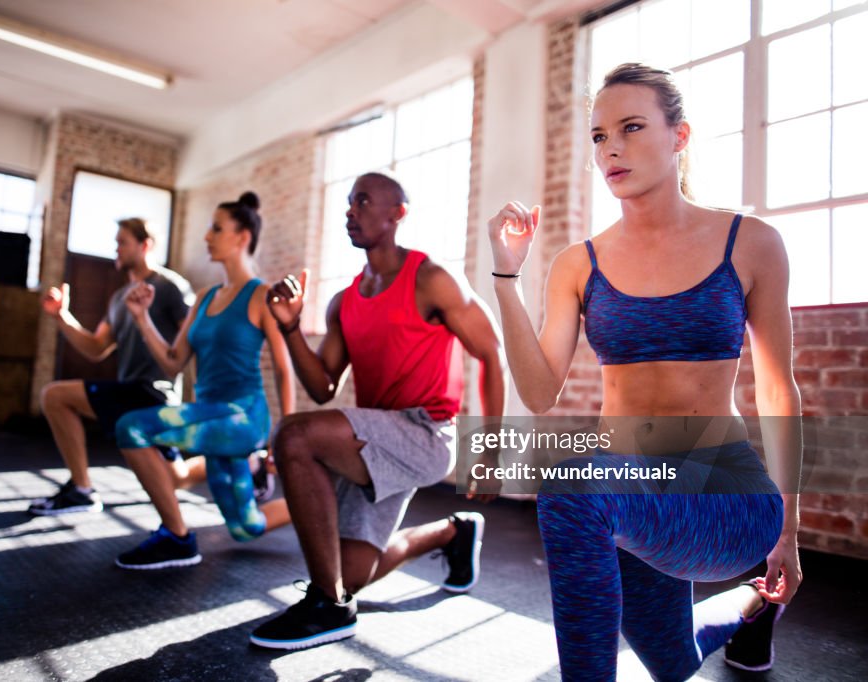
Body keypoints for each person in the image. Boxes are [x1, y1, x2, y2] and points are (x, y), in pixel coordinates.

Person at [487, 63, 802, 680]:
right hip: (631, 493)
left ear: (679, 137)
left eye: (631, 127)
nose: (612, 149)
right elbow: (539, 392)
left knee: (571, 486)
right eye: (600, 136)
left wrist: (789, 531)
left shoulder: (751, 242)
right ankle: (750, 607)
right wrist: (506, 276)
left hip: (726, 495)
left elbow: (776, 388)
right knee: (673, 660)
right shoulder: (578, 264)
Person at [249, 172, 505, 650]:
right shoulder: (343, 302)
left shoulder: (431, 279)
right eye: (348, 203)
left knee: (293, 436)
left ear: (397, 213)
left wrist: (490, 457)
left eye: (363, 201)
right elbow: (323, 387)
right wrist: (288, 330)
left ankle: (328, 606)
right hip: (375, 443)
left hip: (426, 435)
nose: (351, 211)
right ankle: (452, 532)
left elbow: (492, 354)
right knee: (348, 573)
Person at [111, 192, 296, 569]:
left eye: (216, 228)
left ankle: (176, 536)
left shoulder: (261, 295)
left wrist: (284, 437)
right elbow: (173, 363)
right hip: (210, 416)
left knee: (132, 427)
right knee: (246, 527)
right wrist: (142, 317)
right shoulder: (204, 298)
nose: (207, 237)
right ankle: (322, 497)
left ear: (242, 237)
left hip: (242, 417)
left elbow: (282, 367)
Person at [29, 217, 199, 516]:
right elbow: (96, 348)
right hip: (129, 393)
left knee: (177, 479)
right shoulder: (119, 298)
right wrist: (60, 316)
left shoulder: (170, 287)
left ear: (145, 246)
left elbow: (194, 338)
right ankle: (248, 463)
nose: (116, 249)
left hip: (154, 393)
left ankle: (81, 492)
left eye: (123, 242)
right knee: (175, 478)